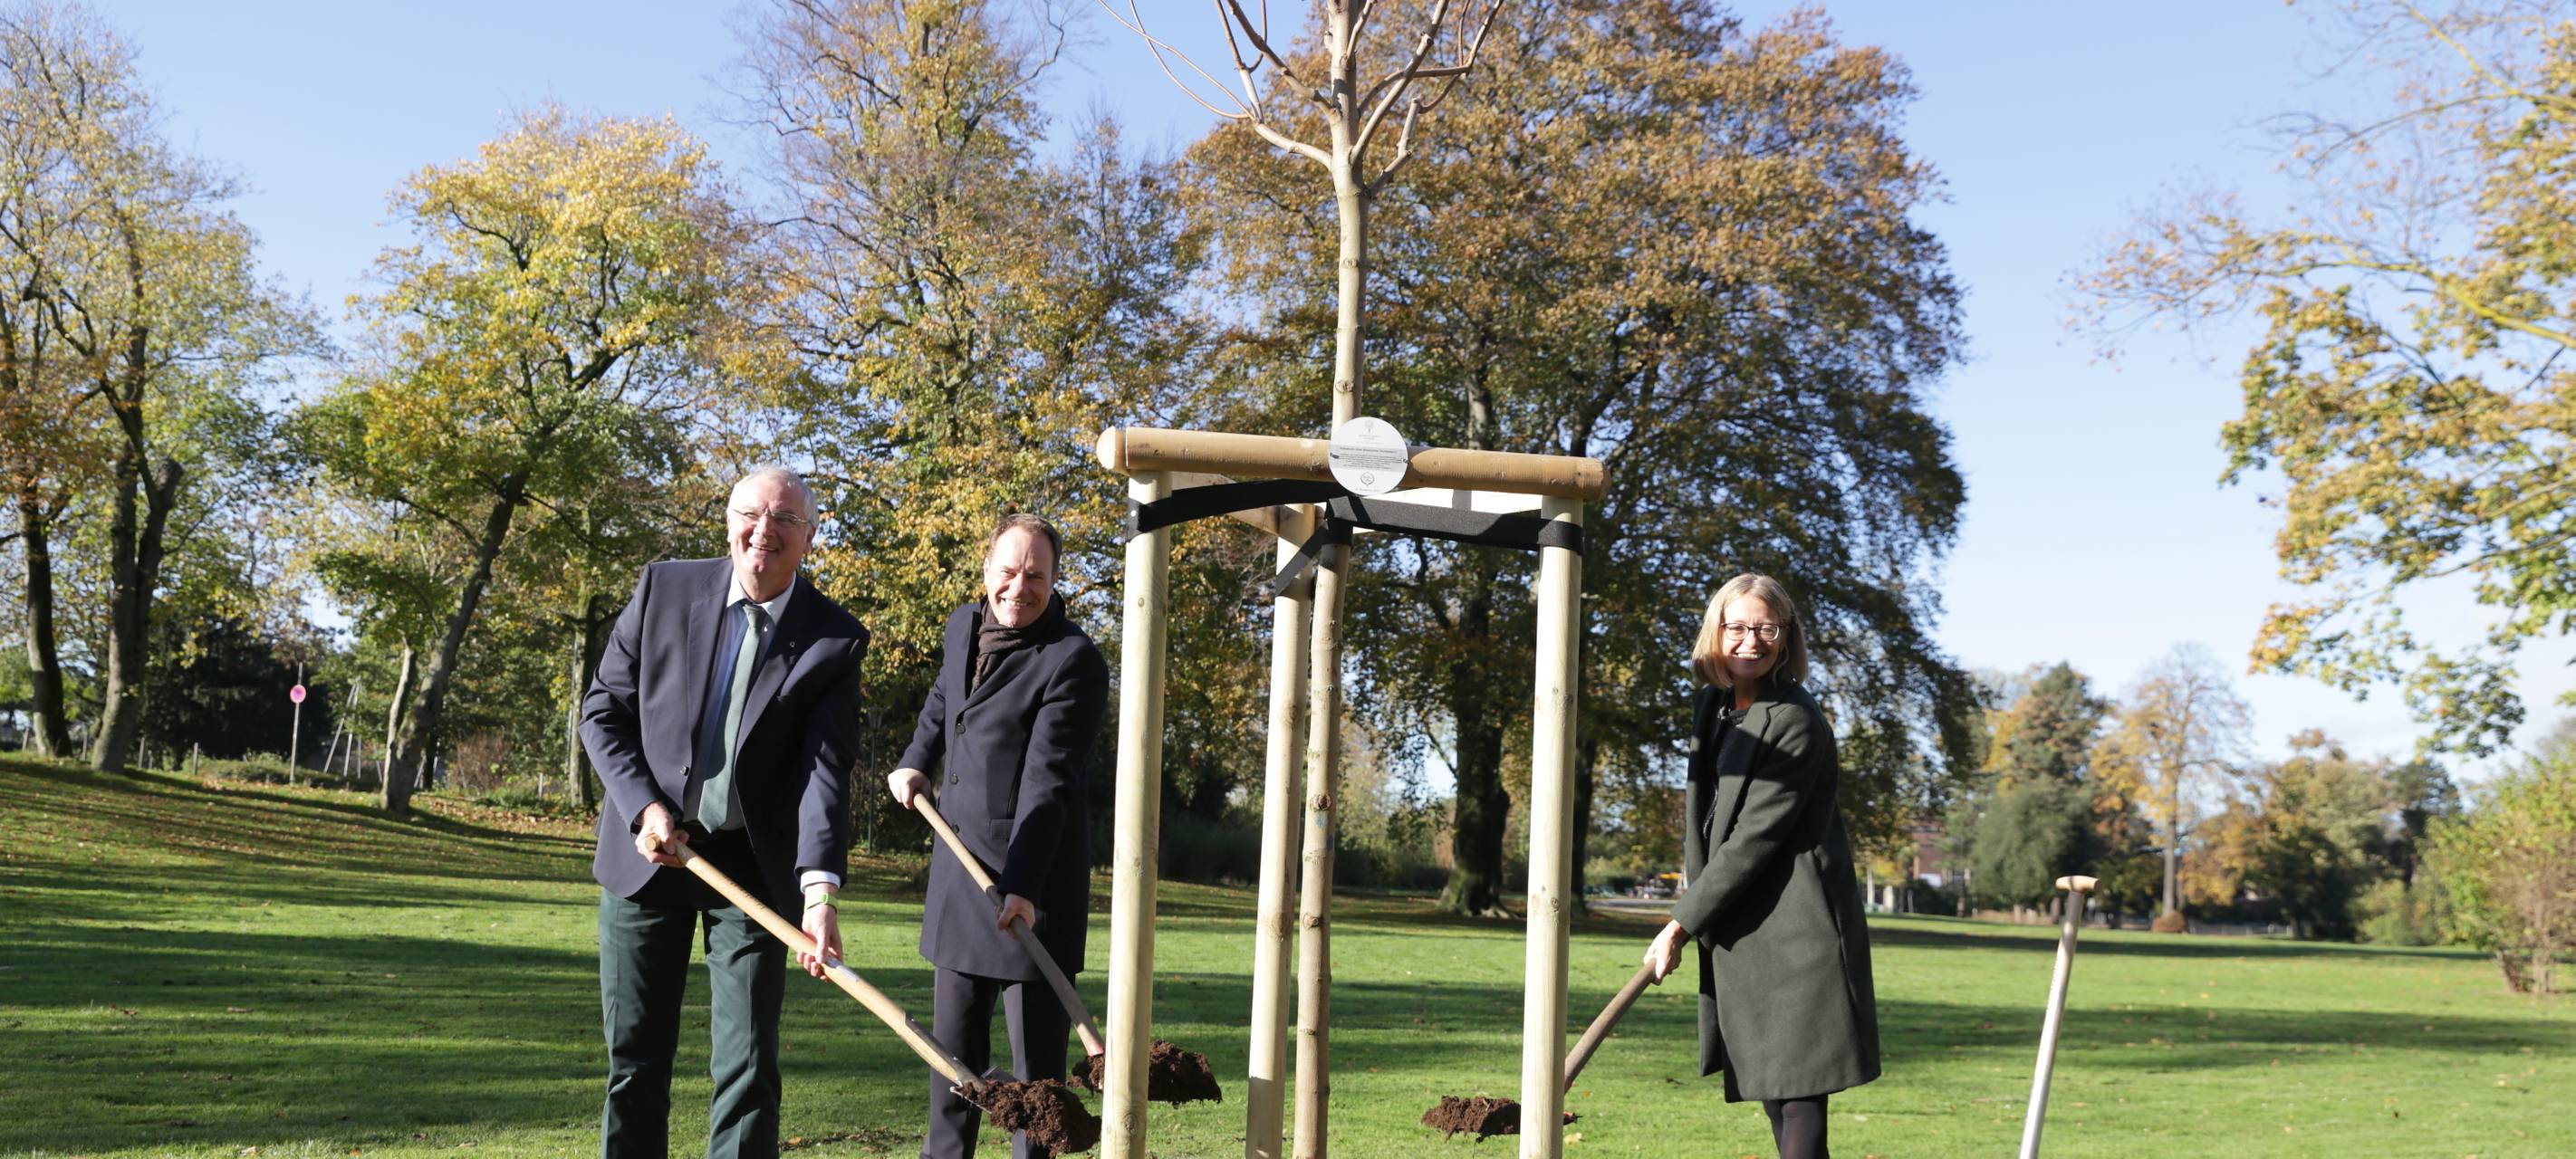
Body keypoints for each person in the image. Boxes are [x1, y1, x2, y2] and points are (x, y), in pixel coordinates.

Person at [582, 466, 870, 1158]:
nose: (763, 532)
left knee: (746, 1068)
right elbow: (604, 712)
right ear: (729, 519)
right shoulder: (663, 588)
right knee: (635, 1064)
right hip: (648, 852)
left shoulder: (834, 639)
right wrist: (642, 806)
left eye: (784, 521)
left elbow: (824, 774)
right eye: (750, 514)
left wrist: (819, 893)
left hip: (750, 869)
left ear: (809, 537)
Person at [887, 512, 1106, 1159]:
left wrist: (1024, 887)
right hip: (960, 875)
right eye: (1008, 571)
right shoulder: (963, 627)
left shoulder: (1073, 660)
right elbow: (942, 703)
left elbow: (1049, 781)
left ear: (1056, 580)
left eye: (1036, 576)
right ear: (986, 570)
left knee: (1035, 1088)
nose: (1020, 587)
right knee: (953, 1067)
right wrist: (914, 758)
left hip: (1030, 888)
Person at [1642, 572, 1879, 1159]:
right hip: (1745, 934)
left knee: (1799, 1100)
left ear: (1785, 635)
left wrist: (1679, 924)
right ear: (1717, 633)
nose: (1751, 640)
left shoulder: (1795, 720)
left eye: (1766, 627)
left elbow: (1754, 838)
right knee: (1775, 1096)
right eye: (1738, 626)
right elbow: (1709, 826)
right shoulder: (1714, 709)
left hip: (1800, 937)